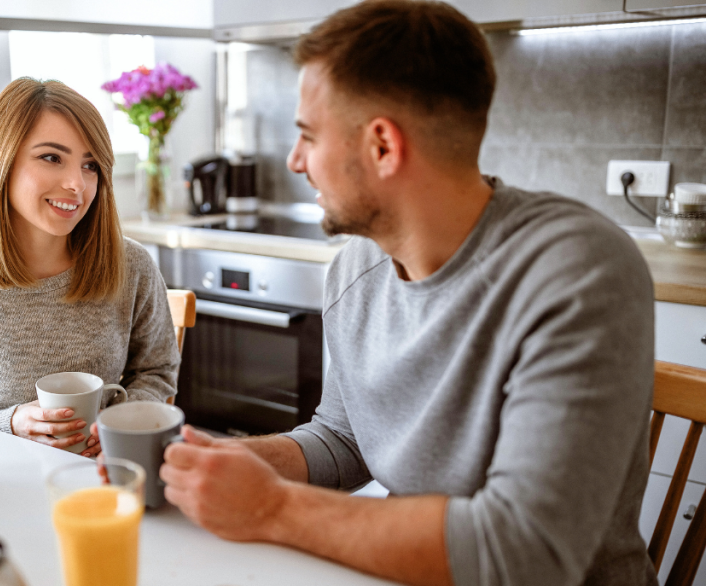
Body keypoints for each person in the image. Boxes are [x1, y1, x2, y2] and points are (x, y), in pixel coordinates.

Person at [160, 2, 657, 585]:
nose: (295, 161)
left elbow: (526, 554)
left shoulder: (577, 272)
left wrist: (271, 507)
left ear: (382, 147)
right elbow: (344, 440)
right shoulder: (356, 270)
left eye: (308, 135)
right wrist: (219, 465)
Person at [0, 78, 180, 457]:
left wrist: (117, 424)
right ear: (2, 161)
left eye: (91, 165)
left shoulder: (132, 267)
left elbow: (157, 372)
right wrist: (9, 425)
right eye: (52, 157)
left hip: (102, 483)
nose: (76, 184)